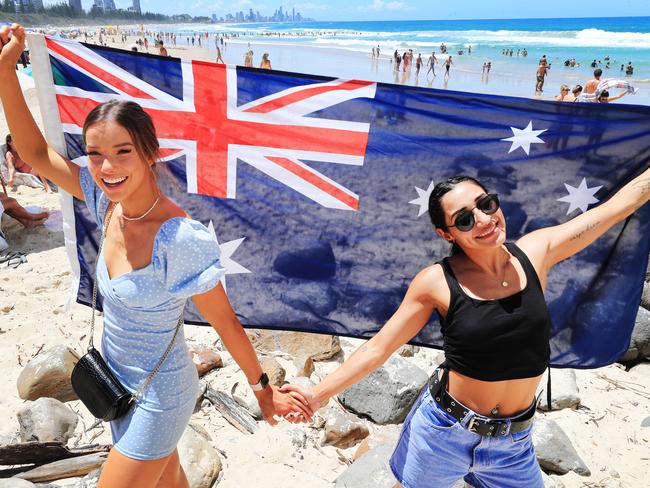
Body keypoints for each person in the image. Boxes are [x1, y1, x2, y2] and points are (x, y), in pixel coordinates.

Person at [0, 24, 311, 488]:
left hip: (159, 395)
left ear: (149, 153)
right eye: (95, 154)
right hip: (114, 386)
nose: (106, 167)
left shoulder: (179, 238)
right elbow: (34, 152)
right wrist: (6, 68)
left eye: (122, 151)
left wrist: (263, 390)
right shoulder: (105, 200)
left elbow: (226, 322)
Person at [282, 169, 650, 488]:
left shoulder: (537, 251)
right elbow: (378, 348)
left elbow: (613, 209)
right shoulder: (436, 282)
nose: (484, 220)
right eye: (464, 219)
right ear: (447, 234)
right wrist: (317, 395)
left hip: (514, 442)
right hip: (444, 433)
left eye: (486, 204)